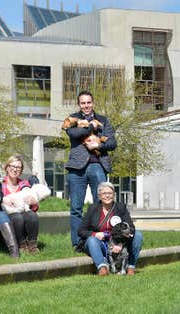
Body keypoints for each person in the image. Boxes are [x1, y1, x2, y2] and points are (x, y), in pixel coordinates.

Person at [65, 90, 117, 247]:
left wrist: (98, 145)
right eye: (83, 103)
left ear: (93, 103)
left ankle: (100, 240)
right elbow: (74, 134)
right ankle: (78, 243)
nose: (86, 106)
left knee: (101, 205)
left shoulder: (104, 120)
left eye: (88, 102)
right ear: (79, 104)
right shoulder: (72, 119)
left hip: (97, 165)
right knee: (76, 208)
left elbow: (113, 143)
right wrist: (91, 127)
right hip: (77, 168)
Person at [78, 182, 143, 276]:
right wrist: (95, 234)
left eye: (110, 193)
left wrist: (121, 243)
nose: (107, 196)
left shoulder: (121, 207)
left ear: (114, 195)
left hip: (119, 242)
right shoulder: (93, 208)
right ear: (99, 196)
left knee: (138, 235)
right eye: (104, 193)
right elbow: (81, 230)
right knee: (91, 240)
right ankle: (102, 268)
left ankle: (130, 267)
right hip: (101, 243)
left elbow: (131, 228)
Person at [1, 156, 40, 254]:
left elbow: (34, 207)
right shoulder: (0, 185)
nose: (15, 169)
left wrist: (33, 202)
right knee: (18, 217)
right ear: (7, 167)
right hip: (7, 215)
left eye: (18, 167)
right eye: (12, 166)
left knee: (32, 215)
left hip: (23, 212)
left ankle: (32, 245)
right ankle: (21, 244)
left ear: (21, 170)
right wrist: (3, 200)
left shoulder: (25, 184)